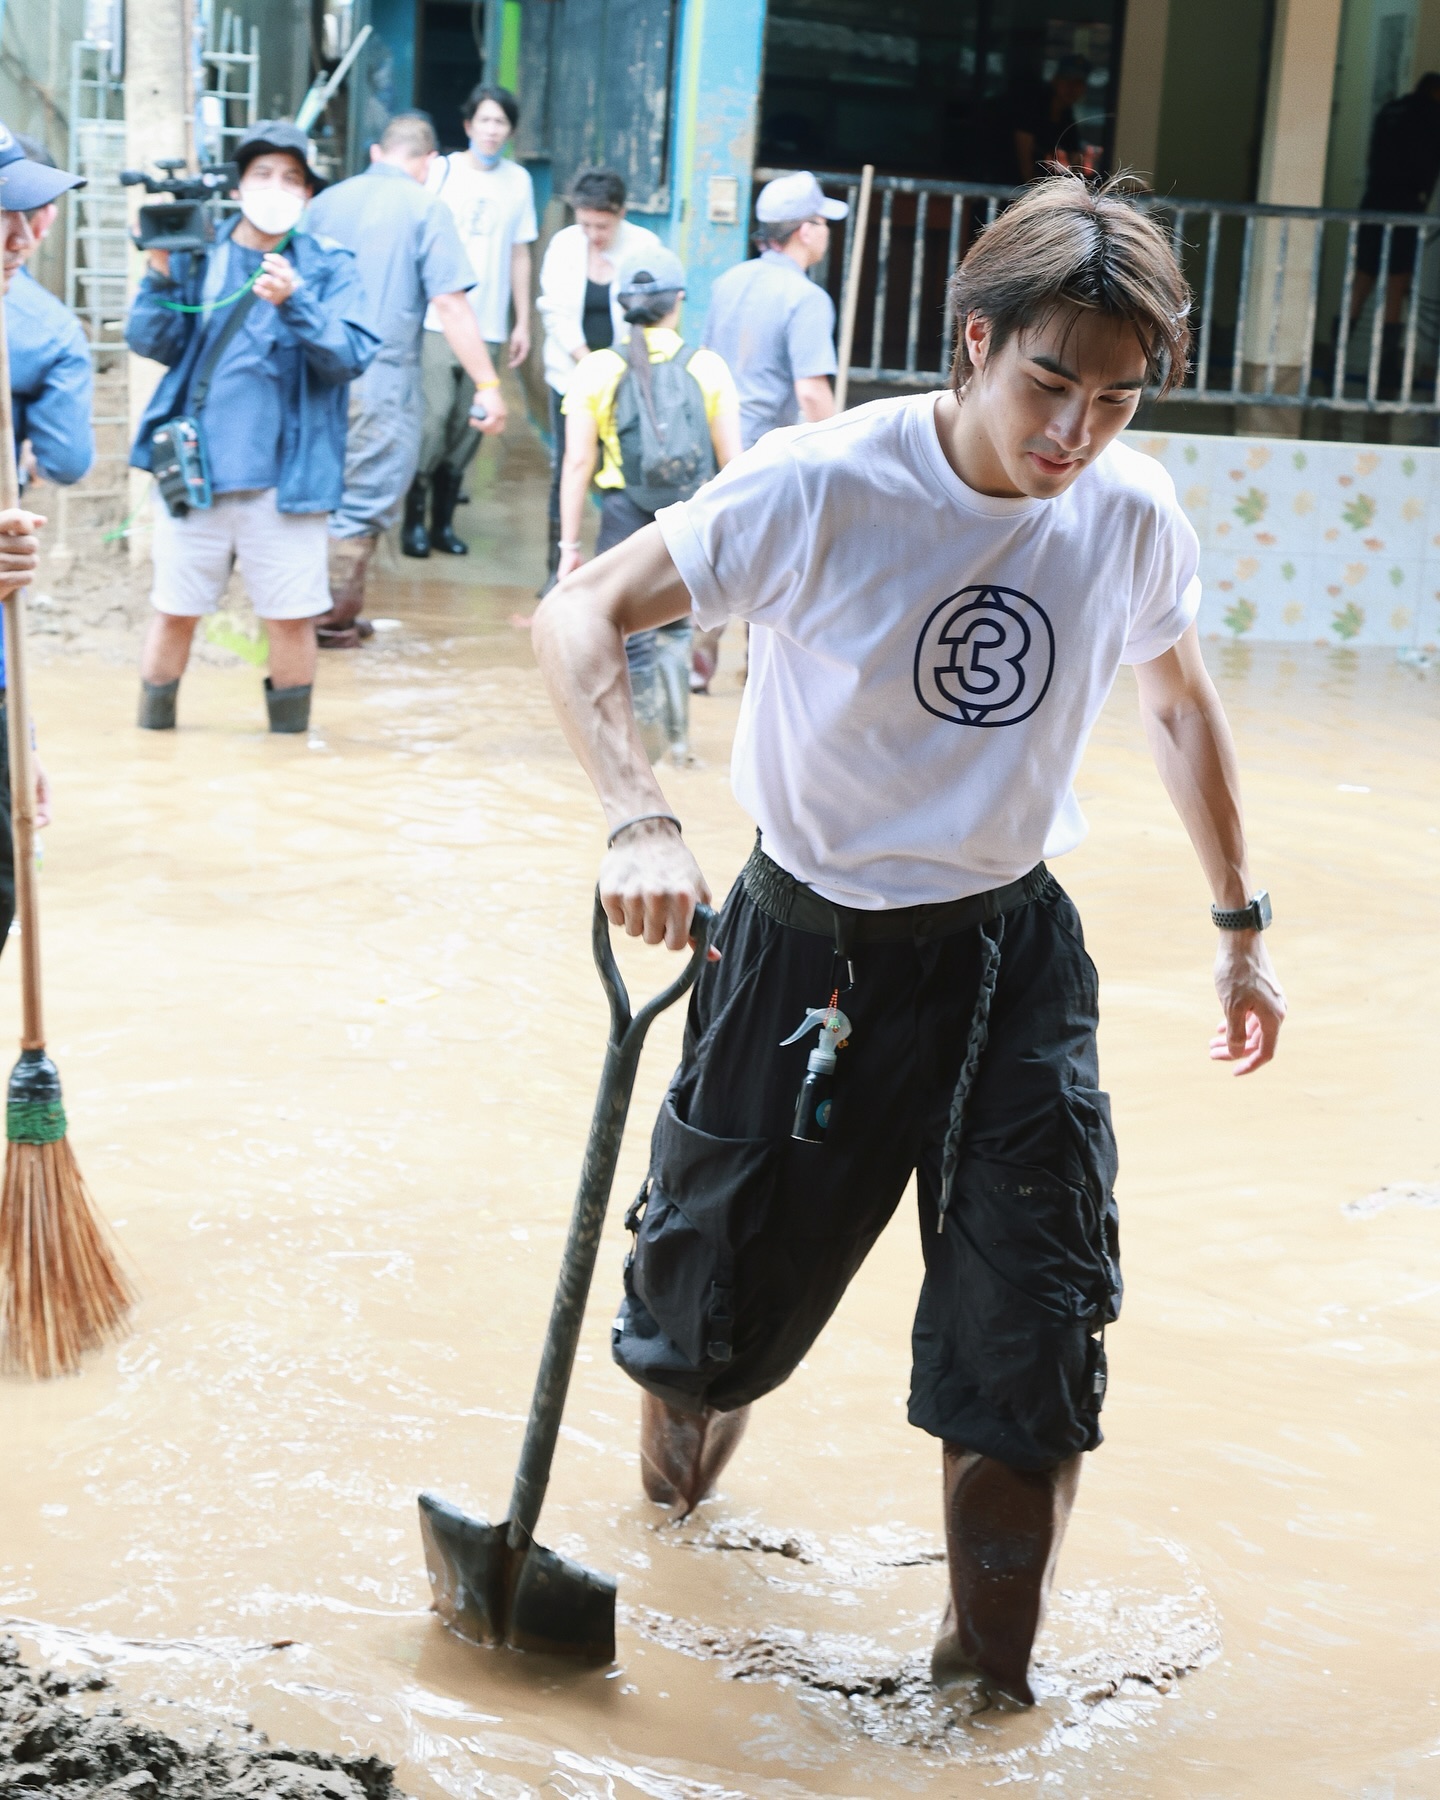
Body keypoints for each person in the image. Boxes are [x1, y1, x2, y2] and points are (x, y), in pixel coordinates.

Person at [533, 172, 1287, 1708]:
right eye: (1050, 384)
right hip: (802, 950)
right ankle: (676, 1540)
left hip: (1013, 961)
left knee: (1033, 1344)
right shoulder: (821, 485)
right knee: (701, 1335)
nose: (1076, 433)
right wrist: (637, 815)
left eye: (1119, 400)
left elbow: (1177, 702)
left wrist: (1238, 925)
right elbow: (581, 610)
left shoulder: (1128, 516)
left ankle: (979, 1706)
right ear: (973, 343)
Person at [126, 121, 378, 735]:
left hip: (286, 486)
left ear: (309, 196)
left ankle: (289, 747)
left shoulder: (328, 267)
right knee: (175, 612)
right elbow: (149, 339)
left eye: (292, 177)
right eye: (262, 173)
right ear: (238, 188)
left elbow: (349, 357)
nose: (277, 186)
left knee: (290, 619)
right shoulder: (198, 254)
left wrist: (297, 301)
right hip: (197, 477)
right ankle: (153, 739)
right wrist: (159, 273)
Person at [304, 112, 507, 648]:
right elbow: (450, 303)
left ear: (377, 153)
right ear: (427, 164)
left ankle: (300, 613)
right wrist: (487, 384)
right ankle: (331, 622)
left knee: (314, 492)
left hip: (312, 375)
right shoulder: (426, 208)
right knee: (363, 500)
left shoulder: (323, 203)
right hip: (379, 378)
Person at [557, 246, 739, 766]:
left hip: (623, 518)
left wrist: (569, 546)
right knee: (678, 629)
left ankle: (636, 754)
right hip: (690, 518)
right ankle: (679, 751)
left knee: (624, 633)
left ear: (622, 306)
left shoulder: (596, 369)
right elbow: (734, 462)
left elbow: (576, 464)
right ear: (677, 301)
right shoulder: (706, 367)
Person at [697, 170, 846, 688]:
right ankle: (757, 674)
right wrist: (842, 458)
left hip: (713, 442)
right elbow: (811, 392)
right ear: (806, 230)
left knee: (715, 557)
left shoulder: (727, 281)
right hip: (765, 450)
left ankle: (699, 668)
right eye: (823, 221)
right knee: (775, 566)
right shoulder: (806, 299)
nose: (828, 231)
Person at [407, 84, 536, 560]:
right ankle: (412, 523)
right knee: (432, 421)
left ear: (509, 130)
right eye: (484, 120)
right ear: (468, 126)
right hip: (437, 321)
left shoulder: (517, 181)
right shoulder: (440, 172)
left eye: (500, 122)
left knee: (468, 427)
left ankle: (442, 525)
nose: (491, 129)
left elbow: (520, 253)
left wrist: (522, 321)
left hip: (489, 326)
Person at [535, 165, 661, 593]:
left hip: (627, 379)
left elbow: (652, 315)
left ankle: (618, 570)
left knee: (623, 472)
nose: (593, 233)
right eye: (585, 223)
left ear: (622, 213)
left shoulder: (645, 247)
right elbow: (552, 310)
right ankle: (557, 569)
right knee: (567, 467)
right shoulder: (564, 245)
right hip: (571, 375)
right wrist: (587, 362)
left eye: (602, 225)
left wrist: (615, 369)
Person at [6, 134, 94, 494]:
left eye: (21, 214)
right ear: (49, 221)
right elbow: (66, 460)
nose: (21, 238)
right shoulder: (52, 332)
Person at [1347, 73, 1440, 370]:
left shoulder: (1389, 110)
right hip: (1405, 203)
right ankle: (1385, 367)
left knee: (1363, 278)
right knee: (1397, 282)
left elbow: (1372, 157)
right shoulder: (1430, 114)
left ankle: (1338, 353)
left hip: (1374, 199)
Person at [1010, 56, 1092, 184]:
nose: (1072, 88)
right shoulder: (1032, 106)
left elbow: (1076, 158)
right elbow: (1024, 159)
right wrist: (1032, 190)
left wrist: (1079, 187)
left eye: (1078, 83)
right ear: (1055, 80)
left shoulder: (1066, 114)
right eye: (1067, 80)